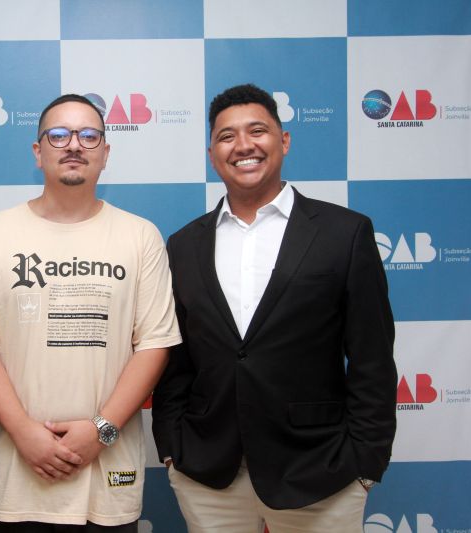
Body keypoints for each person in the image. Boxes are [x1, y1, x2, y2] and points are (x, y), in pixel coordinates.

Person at [152, 84, 397, 533]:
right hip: (209, 475)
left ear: (283, 141)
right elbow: (176, 362)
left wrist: (365, 463)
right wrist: (172, 448)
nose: (243, 145)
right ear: (212, 154)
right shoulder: (184, 244)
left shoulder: (344, 233)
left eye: (257, 131)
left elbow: (373, 360)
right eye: (227, 136)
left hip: (320, 471)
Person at [0, 94, 182, 532]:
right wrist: (22, 431)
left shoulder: (140, 236)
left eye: (89, 135)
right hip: (19, 477)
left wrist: (101, 430)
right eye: (58, 135)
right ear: (38, 152)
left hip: (107, 476)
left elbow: (154, 344)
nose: (74, 144)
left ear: (105, 153)